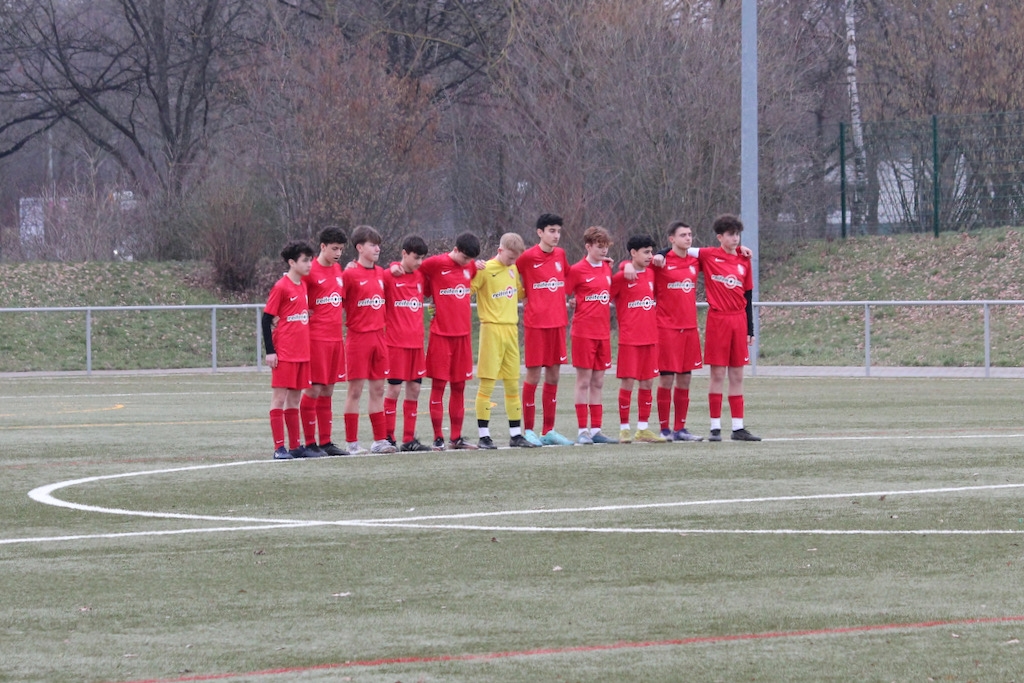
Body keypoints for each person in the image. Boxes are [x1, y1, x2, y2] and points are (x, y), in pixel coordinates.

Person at [689, 214, 761, 441]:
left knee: (737, 374)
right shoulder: (708, 255)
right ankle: (715, 427)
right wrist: (661, 256)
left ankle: (738, 427)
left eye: (737, 234)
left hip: (738, 321)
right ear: (720, 237)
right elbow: (677, 250)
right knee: (718, 374)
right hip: (718, 320)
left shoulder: (743, 260)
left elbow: (747, 297)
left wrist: (750, 329)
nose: (735, 238)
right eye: (730, 235)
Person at [470, 232, 537, 449]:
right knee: (487, 383)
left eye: (515, 258)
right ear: (500, 250)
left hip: (511, 330)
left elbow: (519, 293)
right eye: (510, 257)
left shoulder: (513, 269)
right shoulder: (485, 270)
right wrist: (470, 268)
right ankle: (484, 436)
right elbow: (464, 290)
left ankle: (516, 434)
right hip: (491, 330)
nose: (512, 261)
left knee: (512, 383)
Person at [418, 232, 481, 451]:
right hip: (441, 335)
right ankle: (438, 437)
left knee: (459, 386)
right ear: (455, 250)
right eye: (464, 257)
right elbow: (415, 268)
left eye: (470, 259)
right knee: (438, 386)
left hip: (463, 336)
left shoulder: (470, 266)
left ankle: (456, 438)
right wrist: (429, 295)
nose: (466, 262)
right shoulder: (435, 264)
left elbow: (474, 269)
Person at [517, 213, 573, 446]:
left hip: (557, 323)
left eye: (558, 231)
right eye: (551, 231)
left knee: (554, 375)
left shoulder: (560, 254)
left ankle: (548, 430)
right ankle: (528, 430)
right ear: (540, 232)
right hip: (536, 325)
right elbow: (507, 270)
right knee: (533, 375)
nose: (556, 235)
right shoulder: (527, 257)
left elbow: (569, 277)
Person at [341, 225, 397, 454]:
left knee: (379, 390)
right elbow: (336, 301)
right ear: (359, 248)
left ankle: (379, 440)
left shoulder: (381, 273)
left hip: (379, 338)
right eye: (372, 245)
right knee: (355, 391)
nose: (377, 249)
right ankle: (352, 443)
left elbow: (399, 270)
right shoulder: (349, 274)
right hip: (358, 339)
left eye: (378, 245)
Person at [262, 241, 320, 459]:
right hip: (285, 352)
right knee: (279, 398)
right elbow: (266, 319)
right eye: (305, 260)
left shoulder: (303, 285)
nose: (309, 264)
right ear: (292, 262)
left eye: (310, 260)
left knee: (294, 400)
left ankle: (295, 446)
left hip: (302, 353)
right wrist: (270, 351)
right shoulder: (281, 287)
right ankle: (279, 448)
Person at [610, 234, 666, 444]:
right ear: (633, 253)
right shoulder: (621, 277)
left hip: (650, 337)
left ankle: (642, 429)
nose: (650, 256)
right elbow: (604, 295)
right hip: (629, 338)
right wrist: (624, 266)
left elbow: (672, 254)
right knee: (628, 381)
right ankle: (624, 429)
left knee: (648, 382)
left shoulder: (651, 273)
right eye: (646, 252)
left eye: (651, 252)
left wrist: (660, 255)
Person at [299, 226, 349, 457]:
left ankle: (326, 442)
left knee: (328, 389)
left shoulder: (338, 270)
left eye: (341, 249)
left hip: (335, 339)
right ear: (322, 247)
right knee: (314, 389)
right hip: (316, 338)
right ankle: (310, 443)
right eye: (334, 248)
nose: (338, 253)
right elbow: (296, 296)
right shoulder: (310, 271)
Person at [565, 226, 618, 444]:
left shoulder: (607, 267)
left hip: (602, 333)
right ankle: (582, 430)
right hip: (583, 332)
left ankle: (596, 430)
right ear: (588, 246)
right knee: (583, 382)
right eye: (599, 247)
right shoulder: (577, 270)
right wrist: (571, 302)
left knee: (598, 382)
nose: (604, 251)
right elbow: (564, 292)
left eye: (606, 247)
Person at [653, 221, 705, 442]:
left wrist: (741, 250)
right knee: (666, 379)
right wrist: (660, 253)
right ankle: (664, 429)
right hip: (666, 328)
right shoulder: (661, 262)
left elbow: (718, 255)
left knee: (685, 379)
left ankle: (680, 428)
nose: (688, 238)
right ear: (672, 239)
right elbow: (637, 265)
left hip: (689, 329)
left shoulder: (695, 261)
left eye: (690, 234)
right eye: (683, 235)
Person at [381, 235, 432, 452]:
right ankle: (388, 437)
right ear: (404, 254)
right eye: (415, 257)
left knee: (415, 390)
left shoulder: (421, 276)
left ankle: (409, 439)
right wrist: (392, 266)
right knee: (393, 390)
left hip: (416, 345)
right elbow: (373, 279)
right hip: (395, 344)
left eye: (421, 258)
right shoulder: (389, 276)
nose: (419, 262)